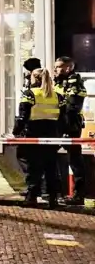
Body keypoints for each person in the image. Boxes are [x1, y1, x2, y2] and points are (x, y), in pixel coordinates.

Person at [17, 68, 63, 207]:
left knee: (34, 167)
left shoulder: (30, 94)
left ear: (34, 78)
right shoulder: (57, 96)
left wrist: (16, 132)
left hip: (34, 133)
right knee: (51, 167)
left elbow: (22, 116)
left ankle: (32, 197)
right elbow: (63, 118)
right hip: (52, 135)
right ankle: (53, 198)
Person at [54, 56, 87, 205]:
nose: (55, 70)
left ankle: (78, 195)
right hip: (59, 124)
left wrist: (67, 127)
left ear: (68, 68)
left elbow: (72, 108)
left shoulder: (75, 84)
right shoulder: (60, 82)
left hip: (70, 125)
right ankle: (55, 191)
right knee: (51, 157)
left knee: (75, 159)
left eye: (58, 67)